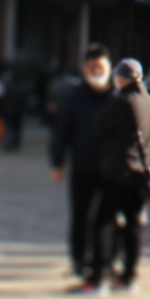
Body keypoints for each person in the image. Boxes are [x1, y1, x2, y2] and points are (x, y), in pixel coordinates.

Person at [76, 57, 150, 295]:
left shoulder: (123, 101)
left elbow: (98, 125)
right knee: (133, 225)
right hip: (141, 173)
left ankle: (98, 278)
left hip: (119, 172)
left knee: (102, 223)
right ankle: (128, 278)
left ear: (121, 78)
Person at [50, 43, 116, 279]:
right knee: (80, 216)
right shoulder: (74, 96)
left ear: (108, 68)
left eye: (100, 67)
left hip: (112, 169)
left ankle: (105, 260)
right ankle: (79, 259)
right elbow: (62, 131)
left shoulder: (116, 96)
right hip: (83, 166)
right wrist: (57, 163)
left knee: (108, 219)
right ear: (84, 69)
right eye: (91, 67)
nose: (96, 71)